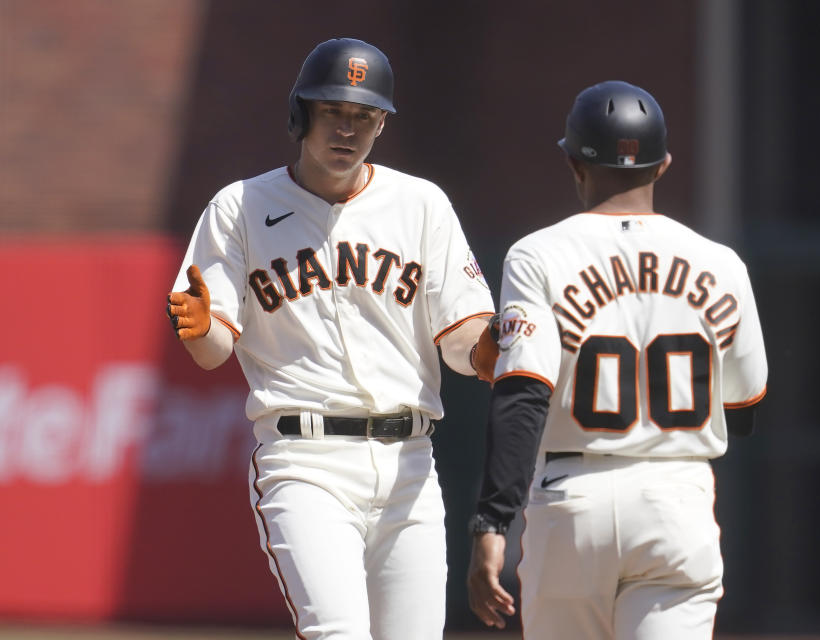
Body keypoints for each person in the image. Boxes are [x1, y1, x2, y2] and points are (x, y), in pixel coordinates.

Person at [166, 38, 499, 640]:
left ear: (381, 124)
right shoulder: (239, 207)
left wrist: (487, 350)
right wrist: (199, 328)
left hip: (410, 463)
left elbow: (461, 334)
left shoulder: (420, 204)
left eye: (365, 115)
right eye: (334, 112)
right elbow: (214, 347)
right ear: (301, 115)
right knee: (338, 632)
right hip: (304, 458)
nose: (349, 129)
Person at [466, 81, 768, 639]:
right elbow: (744, 406)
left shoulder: (538, 253)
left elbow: (524, 393)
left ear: (574, 164)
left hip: (570, 495)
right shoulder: (721, 263)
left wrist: (492, 520)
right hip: (676, 498)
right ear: (664, 165)